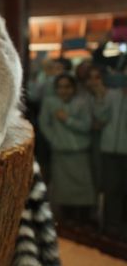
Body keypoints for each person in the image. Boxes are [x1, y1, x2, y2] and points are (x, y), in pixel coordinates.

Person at [38, 74, 95, 223]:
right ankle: (67, 227)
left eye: (67, 87)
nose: (64, 91)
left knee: (84, 193)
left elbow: (87, 126)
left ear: (74, 88)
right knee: (64, 194)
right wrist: (55, 140)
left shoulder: (83, 102)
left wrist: (67, 120)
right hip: (60, 154)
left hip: (80, 155)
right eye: (60, 87)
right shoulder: (50, 103)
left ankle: (84, 225)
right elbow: (44, 124)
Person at [87, 65, 127, 239]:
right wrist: (100, 96)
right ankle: (111, 227)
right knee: (111, 189)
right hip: (109, 149)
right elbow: (101, 117)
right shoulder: (112, 94)